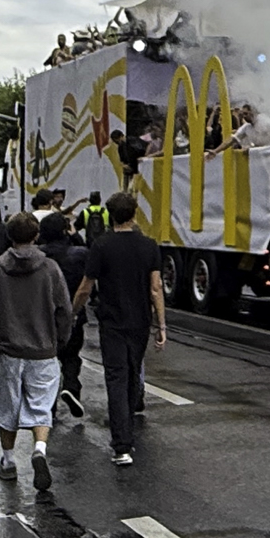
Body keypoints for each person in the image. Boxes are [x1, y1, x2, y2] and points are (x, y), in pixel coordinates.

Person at [0, 213, 73, 493]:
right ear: (36, 236)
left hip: (9, 351)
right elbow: (64, 309)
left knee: (8, 407)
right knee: (40, 406)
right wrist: (61, 341)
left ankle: (8, 461)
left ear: (8, 236)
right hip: (43, 351)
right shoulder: (50, 269)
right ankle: (39, 448)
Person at [74, 192, 165, 466]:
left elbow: (86, 286)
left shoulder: (101, 246)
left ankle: (122, 446)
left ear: (111, 216)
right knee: (133, 372)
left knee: (116, 377)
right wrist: (161, 323)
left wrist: (73, 312)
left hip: (112, 321)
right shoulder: (149, 246)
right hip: (140, 321)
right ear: (134, 214)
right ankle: (128, 430)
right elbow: (156, 288)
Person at [39, 211, 92, 418]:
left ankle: (49, 406)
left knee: (47, 360)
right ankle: (71, 385)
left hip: (43, 315)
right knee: (71, 356)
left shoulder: (39, 256)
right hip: (72, 312)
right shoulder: (80, 254)